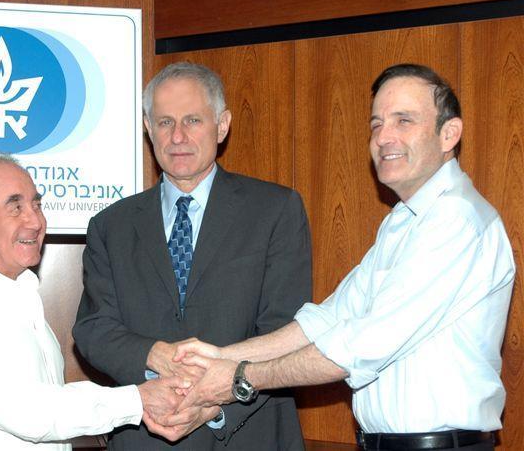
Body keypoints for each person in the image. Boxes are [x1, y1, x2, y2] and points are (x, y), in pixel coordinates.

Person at [168, 64, 515, 451]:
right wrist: (222, 356)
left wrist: (242, 377)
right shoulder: (403, 221)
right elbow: (328, 320)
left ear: (449, 133)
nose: (385, 137)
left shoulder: (457, 220)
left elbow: (358, 347)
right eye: (377, 123)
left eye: (404, 120)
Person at [73, 62, 312, 449]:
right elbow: (94, 329)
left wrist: (211, 407)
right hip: (145, 435)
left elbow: (286, 331)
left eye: (193, 120)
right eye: (165, 122)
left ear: (222, 125)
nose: (178, 136)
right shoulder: (110, 225)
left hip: (246, 431)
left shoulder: (274, 210)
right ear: (148, 129)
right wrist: (153, 355)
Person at [0, 152, 187, 451]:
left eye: (36, 205)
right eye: (15, 207)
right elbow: (29, 412)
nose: (35, 220)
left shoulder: (19, 293)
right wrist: (137, 400)